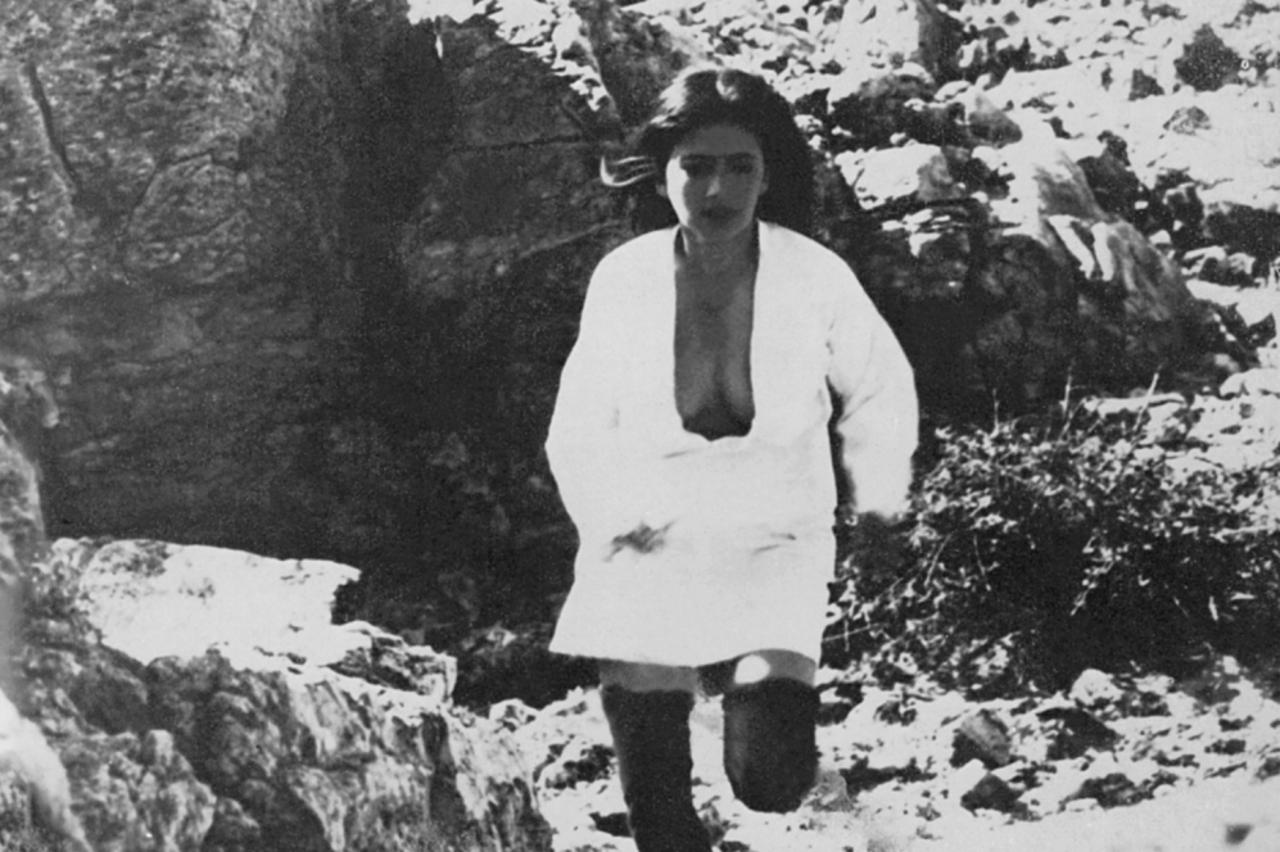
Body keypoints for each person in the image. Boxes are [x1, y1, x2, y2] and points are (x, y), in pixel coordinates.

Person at [544, 67, 918, 851]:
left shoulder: (815, 277)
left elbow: (881, 387)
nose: (718, 189)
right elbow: (577, 423)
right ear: (662, 175)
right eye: (697, 166)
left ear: (768, 175)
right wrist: (611, 520)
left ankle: (752, 717)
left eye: (740, 167)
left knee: (770, 776)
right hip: (653, 529)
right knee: (660, 810)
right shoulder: (624, 279)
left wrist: (880, 507)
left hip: (773, 534)